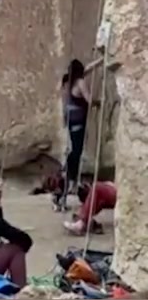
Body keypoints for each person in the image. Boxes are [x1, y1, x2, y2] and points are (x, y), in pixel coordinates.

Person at [61, 55, 103, 200]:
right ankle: (71, 176)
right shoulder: (80, 82)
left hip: (71, 121)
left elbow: (88, 68)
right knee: (77, 151)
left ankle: (69, 175)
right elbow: (89, 99)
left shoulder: (70, 80)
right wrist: (99, 102)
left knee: (74, 149)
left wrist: (100, 60)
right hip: (79, 120)